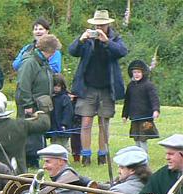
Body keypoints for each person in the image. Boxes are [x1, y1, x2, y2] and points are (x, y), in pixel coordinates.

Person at [68, 9, 128, 166]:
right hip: (88, 88)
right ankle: (86, 155)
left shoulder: (115, 38)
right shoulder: (87, 38)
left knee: (104, 123)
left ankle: (103, 155)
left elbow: (122, 51)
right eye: (97, 25)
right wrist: (81, 40)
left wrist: (106, 41)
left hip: (107, 89)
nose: (99, 28)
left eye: (102, 24)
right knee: (86, 122)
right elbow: (72, 51)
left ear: (108, 24)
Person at [0, 90, 50, 174]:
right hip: (21, 175)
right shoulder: (21, 124)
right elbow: (44, 124)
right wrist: (42, 113)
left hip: (0, 177)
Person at [15, 33, 60, 169]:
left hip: (41, 104)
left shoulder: (43, 62)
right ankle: (29, 160)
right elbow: (23, 84)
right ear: (48, 50)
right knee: (29, 134)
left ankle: (35, 158)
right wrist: (27, 104)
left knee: (37, 133)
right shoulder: (30, 62)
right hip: (30, 105)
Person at [122, 60, 160, 152]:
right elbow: (127, 101)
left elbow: (154, 99)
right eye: (134, 72)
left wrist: (156, 110)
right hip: (135, 117)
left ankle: (144, 157)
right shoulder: (130, 86)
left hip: (146, 118)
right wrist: (124, 115)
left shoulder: (148, 85)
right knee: (136, 137)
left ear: (143, 72)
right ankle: (139, 156)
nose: (136, 74)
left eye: (139, 72)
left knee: (143, 138)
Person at [48, 74, 74, 151]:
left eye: (58, 86)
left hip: (63, 128)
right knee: (54, 145)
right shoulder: (52, 98)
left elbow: (68, 113)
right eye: (54, 86)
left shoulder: (65, 98)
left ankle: (64, 161)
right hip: (54, 128)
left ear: (62, 86)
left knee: (64, 146)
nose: (56, 88)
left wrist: (64, 124)